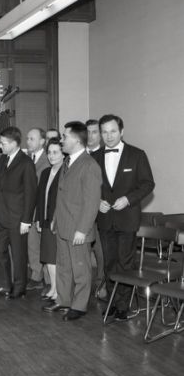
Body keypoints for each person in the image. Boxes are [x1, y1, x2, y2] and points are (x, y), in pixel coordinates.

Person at [94, 114, 155, 321]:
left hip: (127, 218)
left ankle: (123, 305)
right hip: (105, 218)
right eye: (104, 132)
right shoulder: (94, 157)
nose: (109, 136)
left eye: (113, 131)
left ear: (122, 132)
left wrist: (128, 199)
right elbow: (89, 187)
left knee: (125, 263)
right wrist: (97, 201)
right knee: (109, 263)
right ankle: (112, 302)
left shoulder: (137, 154)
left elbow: (148, 184)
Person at [43, 122, 102, 321]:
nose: (62, 140)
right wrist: (55, 219)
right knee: (64, 267)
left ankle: (79, 306)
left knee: (80, 269)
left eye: (64, 136)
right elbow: (61, 195)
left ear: (76, 140)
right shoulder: (68, 161)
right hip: (63, 225)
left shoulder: (89, 165)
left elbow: (92, 202)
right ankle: (64, 300)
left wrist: (82, 230)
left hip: (78, 229)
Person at [0, 126, 37, 299]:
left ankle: (19, 288)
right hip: (2, 215)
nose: (0, 146)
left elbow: (31, 193)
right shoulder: (3, 159)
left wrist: (26, 220)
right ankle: (5, 285)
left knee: (18, 255)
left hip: (18, 218)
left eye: (3, 143)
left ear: (14, 143)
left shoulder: (26, 163)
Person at [35, 138, 64, 302]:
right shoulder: (46, 172)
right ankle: (53, 287)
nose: (52, 156)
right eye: (49, 152)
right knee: (49, 259)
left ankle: (59, 289)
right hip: (45, 220)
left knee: (56, 258)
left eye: (55, 152)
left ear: (63, 153)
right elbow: (40, 197)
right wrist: (39, 219)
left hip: (58, 221)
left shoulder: (66, 172)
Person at [26, 128, 50, 292]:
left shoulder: (49, 159)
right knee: (32, 245)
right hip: (29, 210)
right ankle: (36, 276)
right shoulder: (26, 159)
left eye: (32, 139)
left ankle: (49, 280)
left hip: (43, 210)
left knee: (46, 246)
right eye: (27, 138)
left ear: (42, 141)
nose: (28, 142)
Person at [85, 118, 105, 294]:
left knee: (100, 251)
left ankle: (101, 284)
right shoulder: (77, 155)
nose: (90, 136)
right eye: (88, 132)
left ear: (100, 135)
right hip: (80, 213)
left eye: (94, 132)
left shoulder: (106, 155)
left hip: (100, 212)